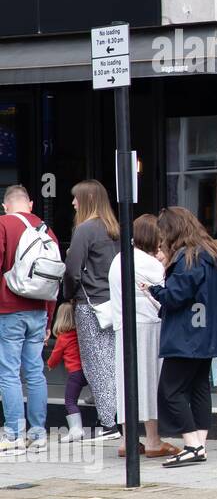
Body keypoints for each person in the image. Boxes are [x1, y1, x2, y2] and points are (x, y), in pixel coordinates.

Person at [146, 206, 217, 468]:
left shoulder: (189, 258)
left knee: (171, 390)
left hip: (187, 336)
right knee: (199, 387)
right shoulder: (209, 253)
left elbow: (176, 296)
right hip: (206, 334)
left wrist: (153, 290)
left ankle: (191, 444)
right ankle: (200, 444)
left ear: (173, 230)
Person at [109, 214, 177, 459]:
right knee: (149, 381)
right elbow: (164, 296)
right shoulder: (151, 264)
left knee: (127, 382)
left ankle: (127, 440)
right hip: (149, 327)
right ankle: (153, 440)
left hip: (122, 327)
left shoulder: (119, 259)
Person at [0, 184, 57, 454]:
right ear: (31, 204)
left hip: (8, 310)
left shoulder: (3, 225)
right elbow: (53, 277)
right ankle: (38, 434)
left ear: (5, 205)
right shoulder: (46, 231)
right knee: (34, 372)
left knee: (9, 372)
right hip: (39, 311)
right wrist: (48, 319)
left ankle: (13, 435)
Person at [63, 179, 120, 441]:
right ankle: (118, 416)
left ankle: (108, 422)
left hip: (91, 305)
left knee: (96, 364)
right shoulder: (115, 228)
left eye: (76, 198)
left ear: (87, 200)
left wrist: (67, 296)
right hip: (114, 304)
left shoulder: (85, 229)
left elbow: (73, 271)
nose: (73, 203)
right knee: (112, 361)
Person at [47, 304, 86, 442]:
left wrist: (50, 365)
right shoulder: (81, 334)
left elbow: (56, 355)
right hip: (86, 371)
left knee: (70, 401)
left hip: (74, 372)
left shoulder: (63, 337)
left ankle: (76, 430)